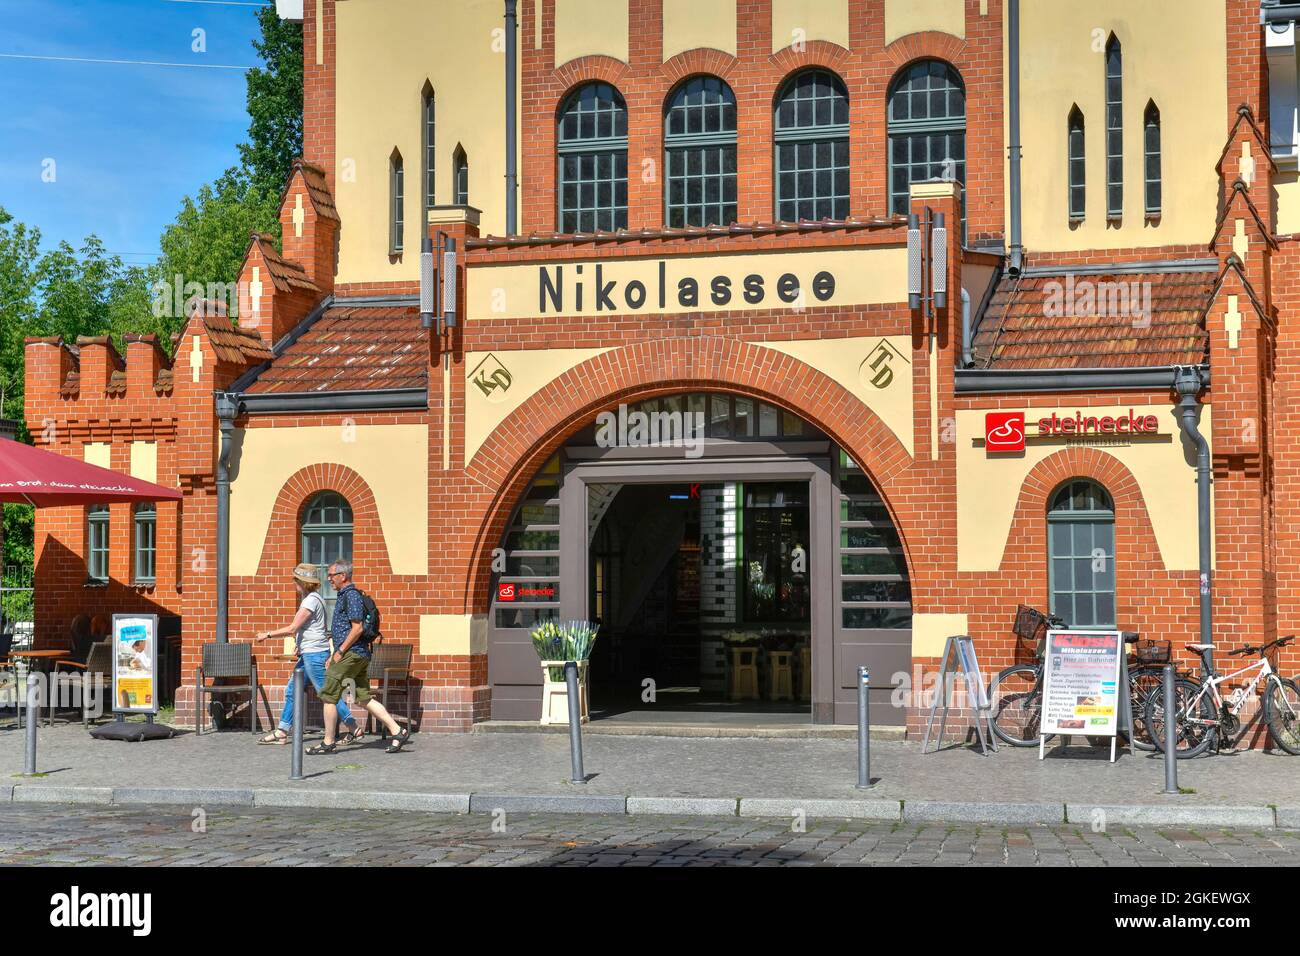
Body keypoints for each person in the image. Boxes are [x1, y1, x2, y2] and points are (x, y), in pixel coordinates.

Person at [254, 563, 362, 746]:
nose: (294, 584)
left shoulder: (311, 600)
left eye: (295, 580)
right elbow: (309, 629)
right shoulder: (315, 598)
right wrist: (299, 643)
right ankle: (282, 730)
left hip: (315, 655)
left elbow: (293, 627)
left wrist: (268, 634)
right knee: (292, 690)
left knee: (327, 693)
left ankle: (353, 727)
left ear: (302, 582)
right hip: (309, 653)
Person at [309, 559, 410, 754]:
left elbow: (357, 628)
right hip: (355, 654)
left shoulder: (352, 596)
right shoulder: (345, 595)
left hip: (351, 654)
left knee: (329, 694)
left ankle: (328, 742)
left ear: (343, 576)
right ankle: (398, 731)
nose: (328, 579)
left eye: (331, 575)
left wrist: (339, 652)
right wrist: (335, 652)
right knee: (362, 697)